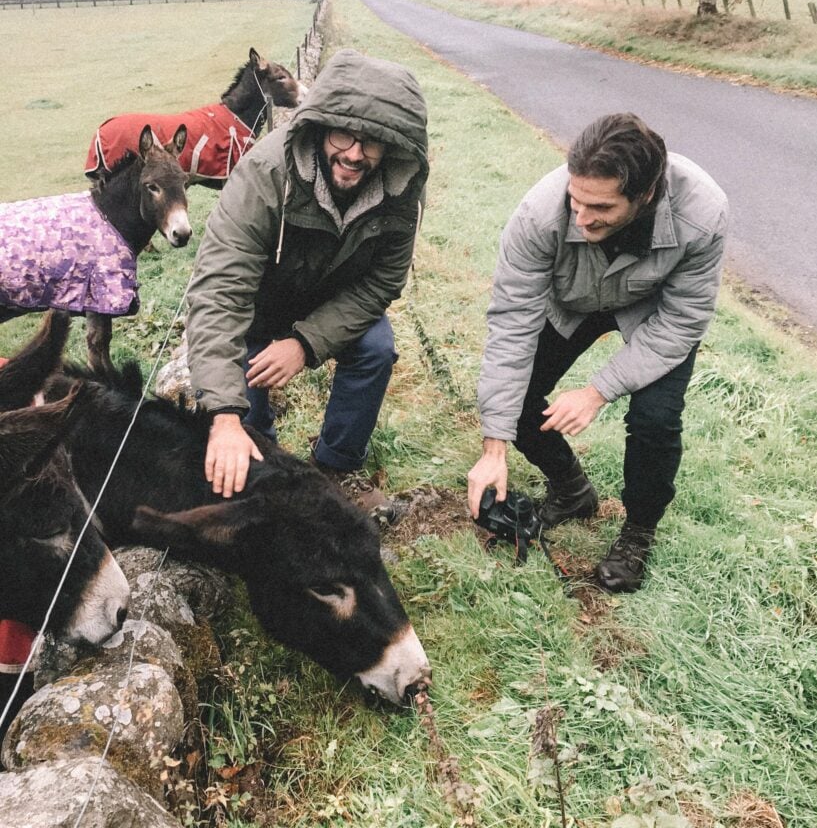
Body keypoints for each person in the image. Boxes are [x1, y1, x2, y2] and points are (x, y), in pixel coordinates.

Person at [467, 113, 728, 592]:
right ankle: (572, 491)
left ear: (645, 194)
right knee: (517, 398)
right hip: (575, 300)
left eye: (601, 208)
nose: (582, 219)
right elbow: (512, 324)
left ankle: (638, 532)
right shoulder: (538, 215)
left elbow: (683, 319)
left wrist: (597, 391)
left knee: (655, 419)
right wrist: (494, 447)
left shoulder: (703, 213)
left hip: (655, 312)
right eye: (576, 201)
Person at [186, 48, 429, 515]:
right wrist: (222, 414)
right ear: (320, 125)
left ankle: (335, 467)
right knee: (242, 423)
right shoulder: (266, 172)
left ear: (395, 146)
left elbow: (383, 281)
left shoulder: (403, 188)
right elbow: (221, 289)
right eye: (344, 134)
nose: (355, 155)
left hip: (329, 304)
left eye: (373, 142)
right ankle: (268, 475)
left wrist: (304, 343)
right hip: (255, 303)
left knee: (376, 347)